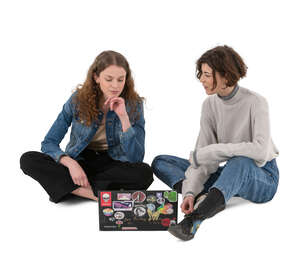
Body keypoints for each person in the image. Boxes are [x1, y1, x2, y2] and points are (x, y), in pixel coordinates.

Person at [151, 45, 279, 241]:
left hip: (263, 176)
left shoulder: (256, 102)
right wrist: (189, 192)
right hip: (230, 172)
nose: (201, 79)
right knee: (161, 161)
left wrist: (212, 151)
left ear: (225, 75)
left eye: (207, 74)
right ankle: (205, 197)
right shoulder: (209, 105)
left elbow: (261, 152)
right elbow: (204, 158)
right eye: (201, 74)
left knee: (240, 161)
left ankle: (193, 220)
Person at [20, 50, 153, 203]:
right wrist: (70, 163)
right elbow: (49, 142)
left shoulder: (134, 104)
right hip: (81, 160)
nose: (115, 86)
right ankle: (93, 194)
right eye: (109, 79)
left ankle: (69, 188)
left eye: (120, 80)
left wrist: (123, 117)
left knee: (145, 173)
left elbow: (136, 158)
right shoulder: (77, 99)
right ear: (96, 77)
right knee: (28, 159)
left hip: (112, 162)